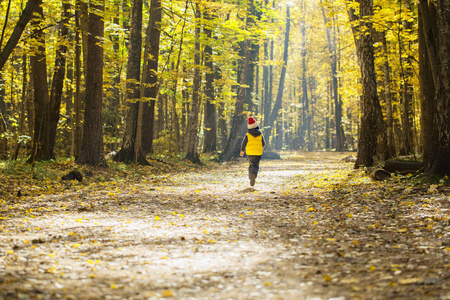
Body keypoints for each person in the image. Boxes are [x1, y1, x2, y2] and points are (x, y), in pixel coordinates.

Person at [240, 116, 266, 186]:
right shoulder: (260, 134)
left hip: (250, 152)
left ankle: (251, 175)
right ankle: (254, 174)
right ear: (256, 126)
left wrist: (242, 150)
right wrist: (260, 147)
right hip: (258, 153)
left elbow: (243, 143)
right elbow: (264, 143)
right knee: (256, 165)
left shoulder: (247, 135)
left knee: (251, 165)